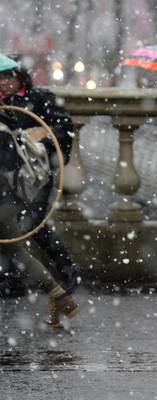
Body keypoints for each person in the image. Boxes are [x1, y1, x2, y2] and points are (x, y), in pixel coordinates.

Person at [0, 59, 79, 296]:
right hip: (10, 176)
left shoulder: (41, 98)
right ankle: (13, 280)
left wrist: (38, 145)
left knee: (33, 222)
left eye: (7, 76)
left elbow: (64, 129)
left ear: (19, 76)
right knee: (10, 228)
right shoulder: (4, 105)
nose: (3, 82)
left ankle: (67, 270)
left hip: (37, 175)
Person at [0, 110, 79, 328]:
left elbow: (6, 168)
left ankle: (62, 299)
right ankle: (61, 298)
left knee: (15, 252)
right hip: (7, 202)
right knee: (16, 251)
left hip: (3, 203)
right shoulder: (7, 125)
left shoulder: (2, 130)